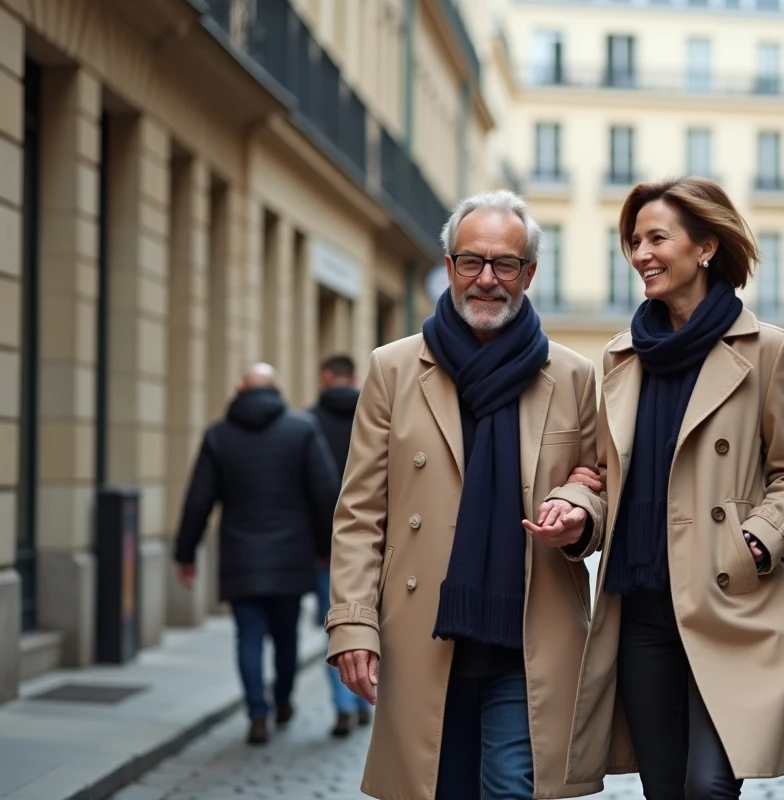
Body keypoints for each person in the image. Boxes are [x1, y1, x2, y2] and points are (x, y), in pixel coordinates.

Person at [323, 190, 607, 800]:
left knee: (512, 788)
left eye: (505, 264)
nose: (486, 279)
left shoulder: (573, 375)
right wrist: (351, 624)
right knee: (439, 787)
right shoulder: (395, 369)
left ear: (528, 274)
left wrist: (579, 516)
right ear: (448, 266)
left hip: (528, 634)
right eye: (470, 261)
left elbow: (597, 490)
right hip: (424, 632)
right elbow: (360, 513)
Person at [563, 177, 784, 799]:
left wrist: (760, 539)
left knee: (709, 786)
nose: (640, 254)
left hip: (729, 600)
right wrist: (579, 507)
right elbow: (604, 479)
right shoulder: (620, 357)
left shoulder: (766, 351)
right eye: (633, 241)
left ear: (706, 247)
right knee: (664, 789)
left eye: (657, 237)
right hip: (641, 609)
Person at [173, 363, 340, 745]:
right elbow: (325, 493)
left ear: (239, 387)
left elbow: (198, 500)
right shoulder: (300, 429)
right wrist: (327, 548)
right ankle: (282, 700)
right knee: (286, 636)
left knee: (247, 636)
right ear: (277, 388)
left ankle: (257, 714)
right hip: (291, 554)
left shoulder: (218, 435)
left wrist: (186, 553)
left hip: (240, 554)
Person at [308, 353, 373, 737]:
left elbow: (309, 490)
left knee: (336, 626)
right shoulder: (378, 411)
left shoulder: (308, 422)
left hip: (325, 547)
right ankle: (365, 698)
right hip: (375, 541)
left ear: (327, 376)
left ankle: (343, 703)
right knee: (372, 622)